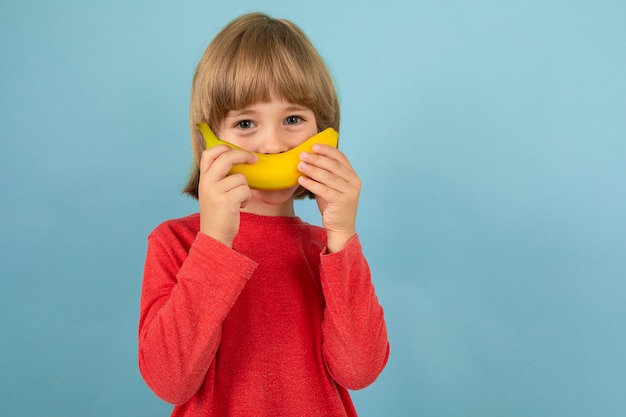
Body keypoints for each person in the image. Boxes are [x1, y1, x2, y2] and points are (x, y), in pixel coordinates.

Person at [138, 12, 389, 417]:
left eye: (293, 119)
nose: (272, 144)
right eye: (245, 122)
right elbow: (171, 381)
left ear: (325, 132)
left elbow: (360, 371)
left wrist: (343, 234)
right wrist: (215, 242)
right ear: (209, 140)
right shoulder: (176, 244)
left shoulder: (329, 249)